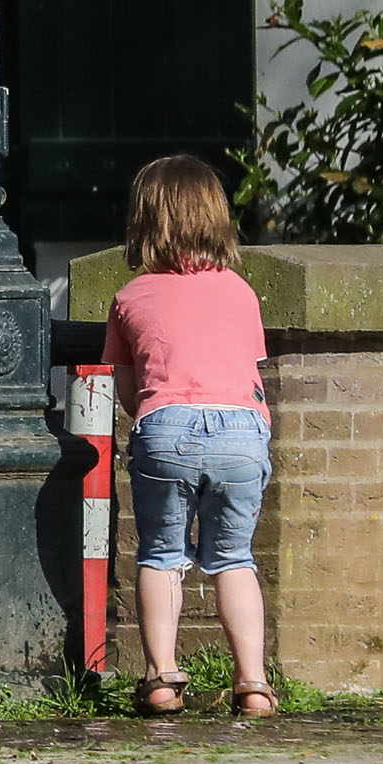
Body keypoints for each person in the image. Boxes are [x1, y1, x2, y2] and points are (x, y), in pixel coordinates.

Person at [105, 153, 278, 719]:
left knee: (160, 554)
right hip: (241, 432)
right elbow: (248, 369)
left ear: (144, 224)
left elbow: (129, 390)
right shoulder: (241, 292)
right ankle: (252, 683)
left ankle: (160, 678)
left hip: (166, 427)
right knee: (234, 559)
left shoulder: (131, 298)